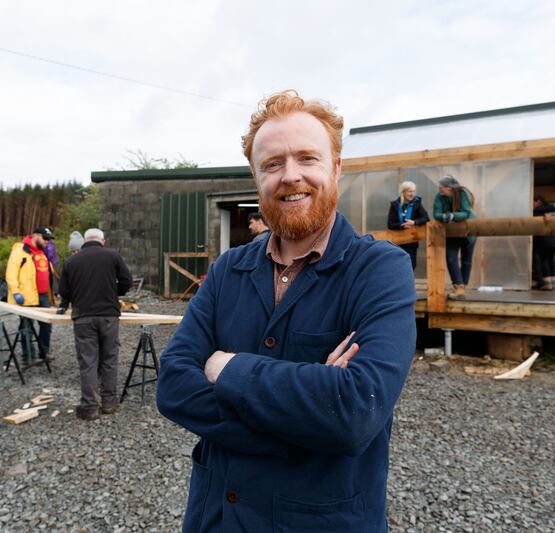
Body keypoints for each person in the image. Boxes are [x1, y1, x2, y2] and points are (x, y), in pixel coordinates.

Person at [156, 90, 416, 532]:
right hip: (217, 519)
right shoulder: (228, 270)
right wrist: (307, 420)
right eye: (273, 164)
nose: (290, 176)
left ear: (336, 167)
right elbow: (174, 387)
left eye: (307, 158)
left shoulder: (379, 270)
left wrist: (227, 368)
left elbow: (356, 411)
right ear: (256, 177)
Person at [59, 228, 132, 420]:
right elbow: (127, 281)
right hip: (109, 316)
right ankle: (109, 403)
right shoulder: (113, 256)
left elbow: (64, 291)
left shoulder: (71, 261)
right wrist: (113, 292)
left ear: (84, 241)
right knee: (109, 360)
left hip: (83, 317)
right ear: (103, 241)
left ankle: (90, 407)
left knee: (88, 362)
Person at [5, 226, 56, 363]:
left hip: (43, 295)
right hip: (27, 296)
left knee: (46, 325)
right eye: (45, 238)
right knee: (27, 328)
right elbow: (11, 273)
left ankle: (44, 352)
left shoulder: (42, 251)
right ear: (36, 235)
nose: (47, 241)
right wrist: (15, 292)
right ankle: (28, 356)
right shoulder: (19, 250)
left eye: (49, 239)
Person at [433, 174, 476, 300]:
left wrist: (452, 216)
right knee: (450, 256)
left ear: (449, 187)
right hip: (452, 231)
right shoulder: (439, 196)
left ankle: (462, 287)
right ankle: (458, 286)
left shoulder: (462, 193)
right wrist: (444, 216)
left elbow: (466, 212)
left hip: (469, 230)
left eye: (441, 187)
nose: (439, 189)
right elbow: (436, 214)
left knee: (466, 259)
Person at [387, 180, 429, 271]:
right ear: (403, 192)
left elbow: (426, 218)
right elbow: (390, 224)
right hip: (397, 242)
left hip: (411, 242)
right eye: (410, 191)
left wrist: (414, 222)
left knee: (411, 265)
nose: (412, 194)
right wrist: (402, 226)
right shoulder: (394, 205)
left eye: (413, 191)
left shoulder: (417, 203)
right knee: (398, 266)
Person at [532, 194, 555, 291]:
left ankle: (547, 283)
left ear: (538, 201)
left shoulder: (537, 211)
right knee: (550, 259)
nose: (531, 205)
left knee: (544, 259)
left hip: (545, 239)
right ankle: (552, 282)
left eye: (532, 202)